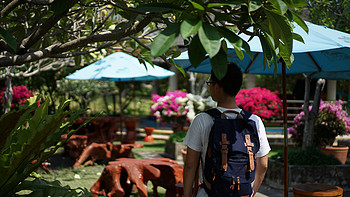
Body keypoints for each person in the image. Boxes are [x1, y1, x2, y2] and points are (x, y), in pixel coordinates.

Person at [183, 62, 271, 197]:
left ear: (218, 86)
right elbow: (263, 165)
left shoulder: (202, 120)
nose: (210, 86)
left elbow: (190, 165)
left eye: (210, 83)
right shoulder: (254, 121)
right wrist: (250, 193)